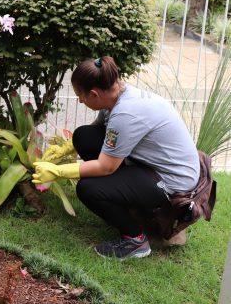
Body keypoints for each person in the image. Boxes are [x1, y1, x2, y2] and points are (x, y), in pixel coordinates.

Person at [32, 56, 200, 260]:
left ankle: (135, 240)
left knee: (88, 189)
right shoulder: (116, 95)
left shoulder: (126, 113)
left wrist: (57, 171)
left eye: (81, 96)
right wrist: (64, 149)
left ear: (94, 94)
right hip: (150, 165)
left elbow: (106, 167)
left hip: (172, 182)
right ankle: (125, 203)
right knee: (83, 137)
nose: (80, 101)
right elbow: (98, 132)